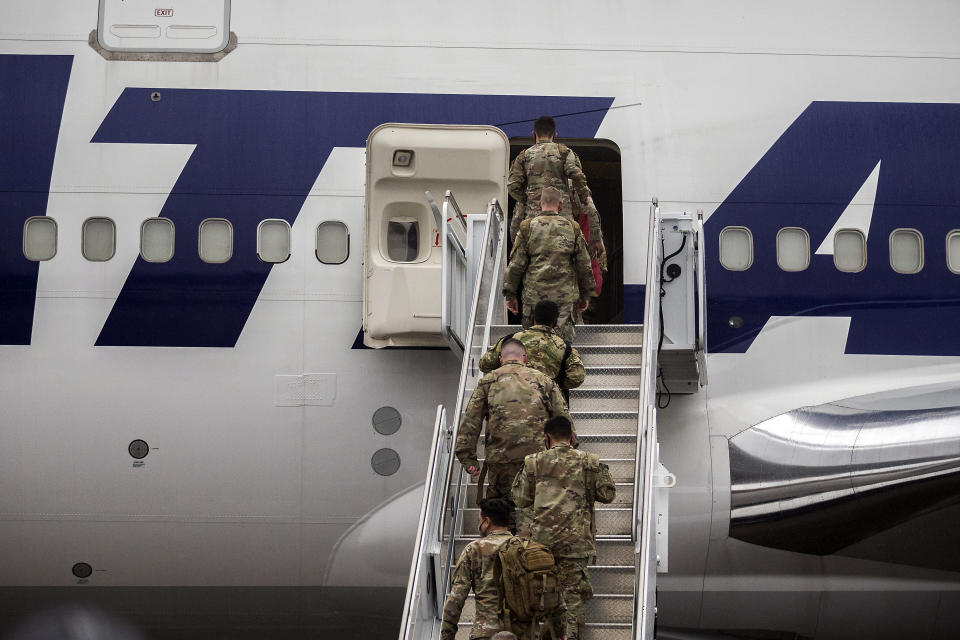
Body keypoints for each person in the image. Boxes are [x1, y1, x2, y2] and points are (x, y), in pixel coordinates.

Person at [512, 416, 616, 640]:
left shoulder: (533, 462)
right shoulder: (589, 461)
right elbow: (607, 495)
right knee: (572, 598)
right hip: (576, 544)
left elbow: (520, 500)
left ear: (547, 437)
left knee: (540, 595)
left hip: (541, 545)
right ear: (572, 437)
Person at [456, 338, 571, 527]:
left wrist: (468, 458)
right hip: (538, 460)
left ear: (501, 358)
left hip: (500, 461)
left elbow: (471, 421)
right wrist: (568, 452)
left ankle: (503, 549)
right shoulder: (543, 380)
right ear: (524, 357)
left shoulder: (488, 381)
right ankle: (534, 552)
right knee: (537, 511)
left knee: (501, 515)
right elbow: (563, 419)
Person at [503, 187, 596, 342]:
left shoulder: (527, 228)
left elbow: (516, 265)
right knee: (563, 346)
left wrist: (510, 294)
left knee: (532, 345)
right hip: (564, 300)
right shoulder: (572, 228)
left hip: (534, 300)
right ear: (560, 205)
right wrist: (585, 294)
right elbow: (584, 264)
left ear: (540, 205)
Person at [507, 115, 603, 260]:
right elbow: (576, 176)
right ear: (555, 135)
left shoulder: (523, 157)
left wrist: (529, 199)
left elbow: (513, 186)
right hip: (563, 222)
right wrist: (596, 237)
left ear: (533, 134)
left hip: (534, 222)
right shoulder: (566, 153)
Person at [441, 498, 534, 640]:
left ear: (487, 522)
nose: (479, 524)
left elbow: (456, 598)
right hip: (523, 633)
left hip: (485, 633)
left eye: (480, 521)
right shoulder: (527, 548)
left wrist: (446, 635)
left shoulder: (474, 550)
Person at [478, 300, 586, 396]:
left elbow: (485, 364)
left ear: (532, 317)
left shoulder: (510, 340)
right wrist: (555, 384)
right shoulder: (564, 347)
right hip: (547, 405)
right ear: (556, 321)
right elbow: (577, 377)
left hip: (511, 400)